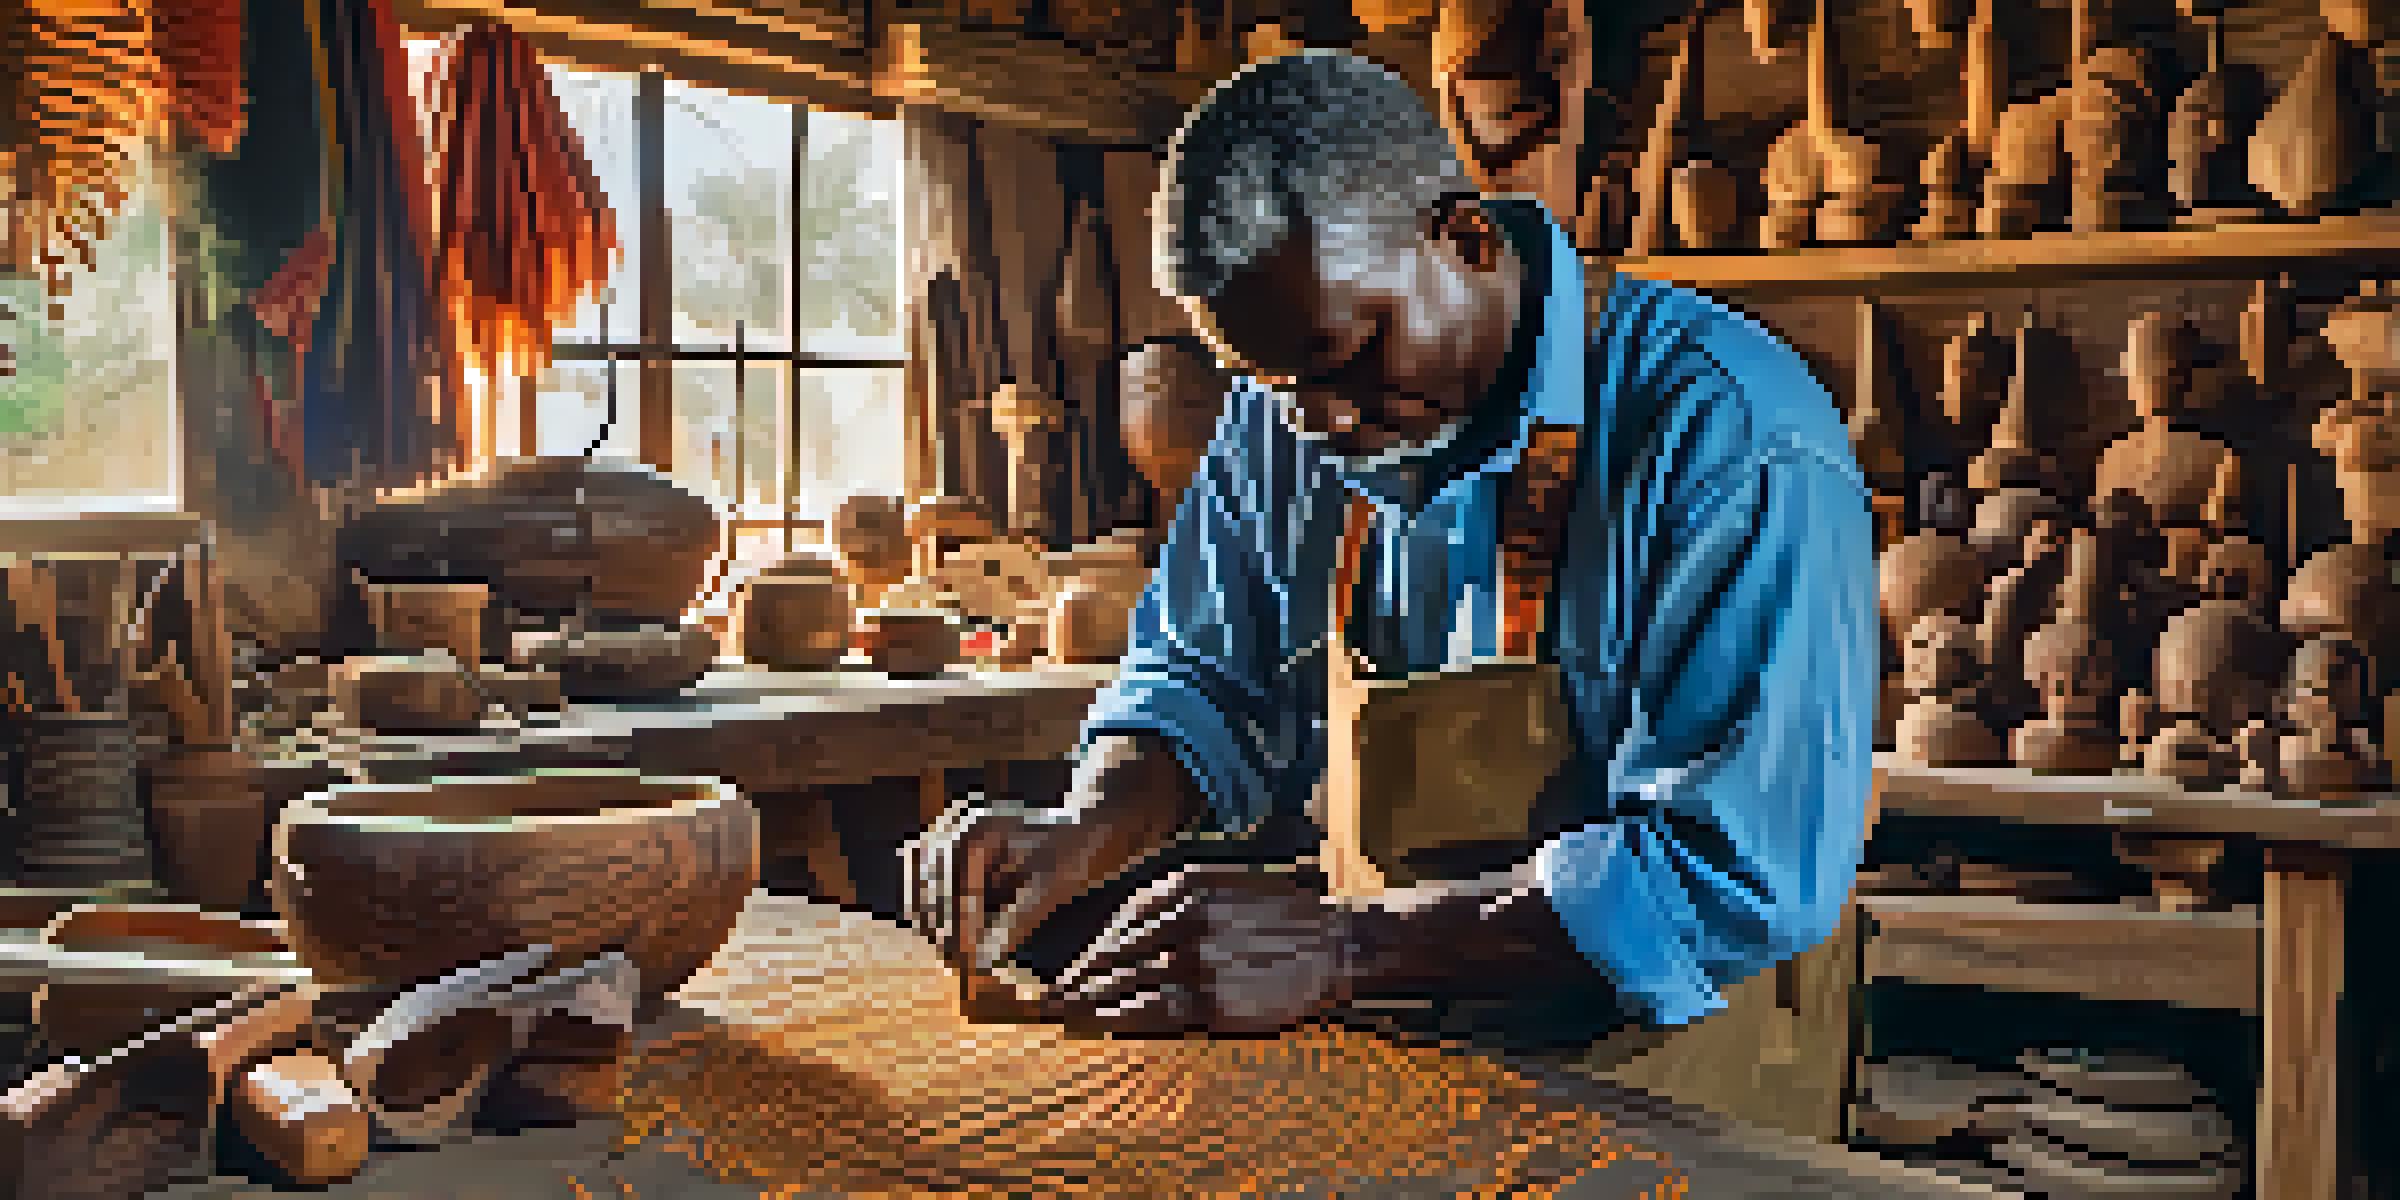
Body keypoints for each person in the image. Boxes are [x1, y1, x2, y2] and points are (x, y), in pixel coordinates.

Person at [904, 50, 1876, 1055]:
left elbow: (1733, 869)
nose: (1318, 420)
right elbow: (1200, 678)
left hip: (1672, 1075)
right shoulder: (1286, 408)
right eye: (1273, 383)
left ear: (1462, 238)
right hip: (1411, 1051)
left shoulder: (1733, 436)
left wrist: (1346, 949)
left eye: (1350, 354)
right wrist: (1082, 828)